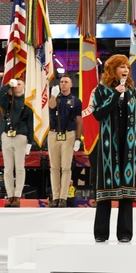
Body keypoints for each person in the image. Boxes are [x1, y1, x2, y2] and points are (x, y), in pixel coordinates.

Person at [88, 55, 136, 243]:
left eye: (127, 67)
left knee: (127, 192)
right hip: (107, 148)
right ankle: (101, 233)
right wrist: (114, 94)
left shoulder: (133, 91)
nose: (126, 70)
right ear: (112, 69)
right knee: (105, 191)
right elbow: (97, 114)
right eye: (122, 66)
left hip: (128, 147)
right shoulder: (100, 90)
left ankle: (125, 233)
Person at [0, 79, 33, 207]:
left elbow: (31, 124)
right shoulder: (7, 100)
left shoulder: (28, 101)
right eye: (15, 85)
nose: (17, 87)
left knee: (20, 168)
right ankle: (10, 195)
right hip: (7, 135)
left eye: (19, 84)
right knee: (8, 168)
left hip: (21, 135)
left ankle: (17, 195)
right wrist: (8, 86)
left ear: (25, 86)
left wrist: (30, 142)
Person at [47, 75, 83, 207]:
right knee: (54, 168)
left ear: (71, 84)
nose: (63, 84)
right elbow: (50, 107)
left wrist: (78, 138)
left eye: (66, 82)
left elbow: (79, 121)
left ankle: (63, 197)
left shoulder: (75, 101)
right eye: (61, 82)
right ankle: (55, 197)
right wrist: (53, 95)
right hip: (54, 134)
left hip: (69, 134)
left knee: (66, 168)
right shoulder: (55, 98)